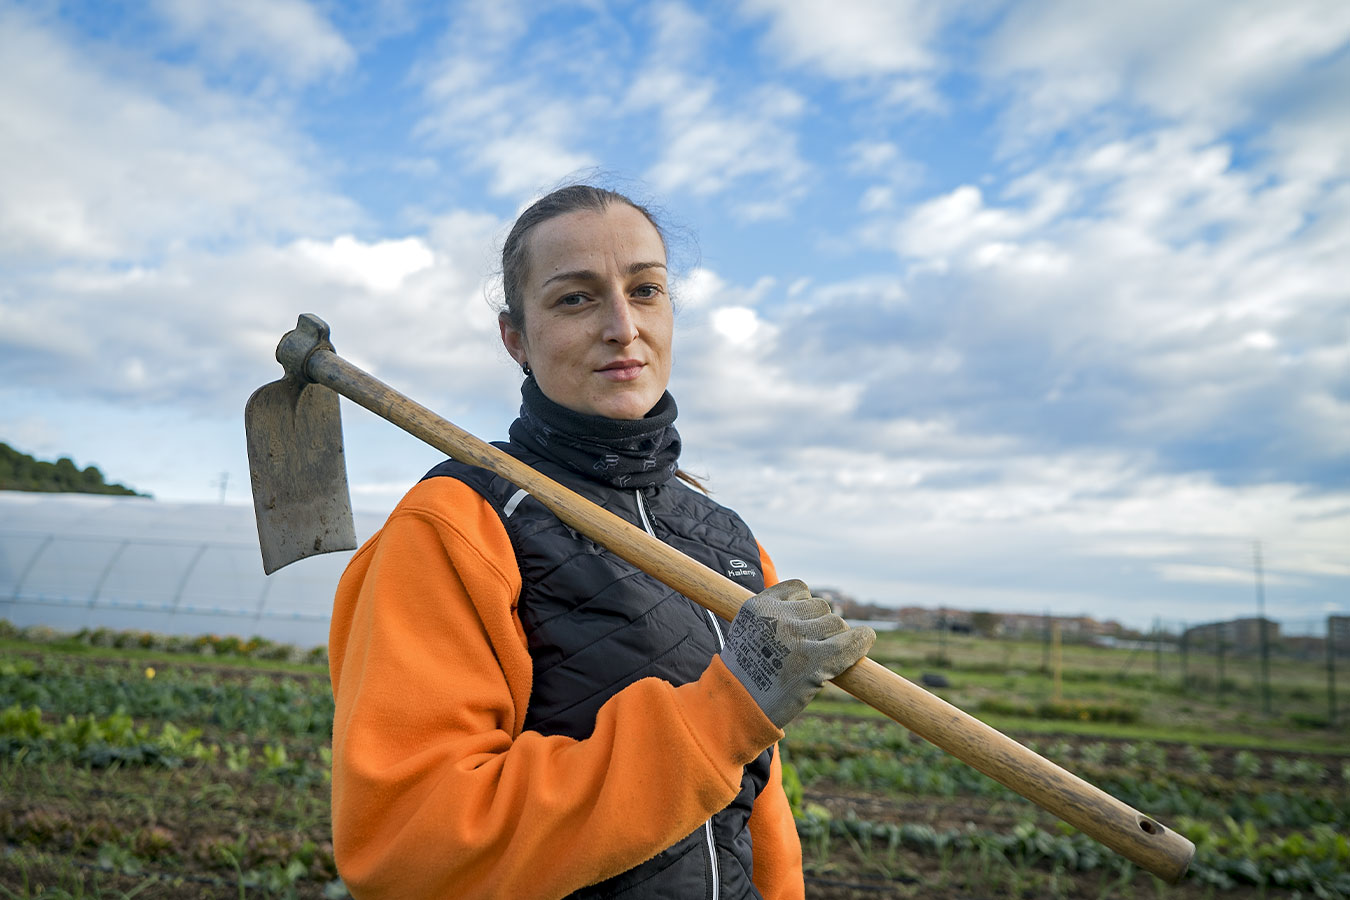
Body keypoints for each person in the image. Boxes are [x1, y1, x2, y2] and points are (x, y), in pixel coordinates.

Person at [327, 184, 876, 899]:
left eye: (645, 290)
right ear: (516, 339)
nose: (622, 325)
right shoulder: (459, 526)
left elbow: (756, 811)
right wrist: (722, 713)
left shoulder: (729, 543)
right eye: (575, 299)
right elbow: (409, 845)